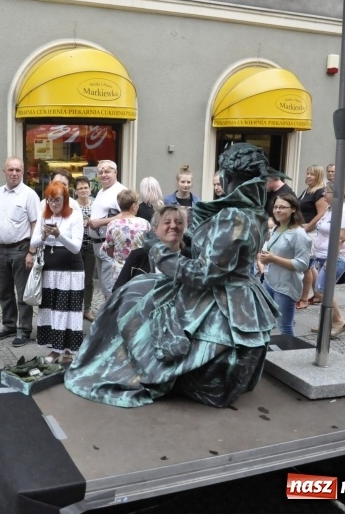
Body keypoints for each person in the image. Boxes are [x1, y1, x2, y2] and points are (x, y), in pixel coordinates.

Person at [64, 143, 278, 409]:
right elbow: (221, 252)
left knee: (130, 300)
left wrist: (159, 253)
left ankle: (118, 363)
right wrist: (188, 236)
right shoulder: (253, 212)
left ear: (228, 177)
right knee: (137, 290)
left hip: (220, 302)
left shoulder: (234, 216)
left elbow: (204, 274)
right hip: (238, 298)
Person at [0, 157, 40, 347]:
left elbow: (35, 224)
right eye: (11, 170)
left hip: (21, 249)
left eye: (18, 170)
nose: (14, 173)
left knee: (23, 294)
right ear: (4, 172)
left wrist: (31, 252)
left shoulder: (29, 194)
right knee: (4, 291)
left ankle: (24, 330)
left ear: (23, 172)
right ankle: (9, 325)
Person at [30, 181, 84, 363]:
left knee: (69, 310)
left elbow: (76, 247)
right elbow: (33, 243)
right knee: (52, 310)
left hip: (71, 270)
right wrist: (44, 236)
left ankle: (68, 349)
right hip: (50, 270)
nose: (53, 204)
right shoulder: (42, 215)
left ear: (66, 200)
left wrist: (59, 235)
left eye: (58, 200)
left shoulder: (75, 216)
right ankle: (55, 349)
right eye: (50, 200)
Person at [258, 194, 311, 336]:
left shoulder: (298, 234)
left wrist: (274, 259)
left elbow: (302, 264)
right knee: (264, 321)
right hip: (269, 282)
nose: (277, 210)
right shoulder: (276, 228)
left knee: (284, 326)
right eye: (275, 207)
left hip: (286, 286)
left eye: (282, 207)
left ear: (293, 209)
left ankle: (290, 356)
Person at [310, 183, 345, 338]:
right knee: (324, 290)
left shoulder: (343, 212)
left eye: (326, 192)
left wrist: (331, 258)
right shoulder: (330, 209)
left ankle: (339, 322)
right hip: (323, 256)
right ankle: (328, 322)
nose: (323, 195)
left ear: (335, 194)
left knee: (321, 290)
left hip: (337, 258)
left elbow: (340, 237)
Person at [113, 205, 187, 291]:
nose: (173, 226)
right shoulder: (138, 257)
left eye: (179, 222)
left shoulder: (191, 259)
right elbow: (118, 291)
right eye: (167, 222)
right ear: (155, 229)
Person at [88, 160, 127, 299]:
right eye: (101, 172)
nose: (103, 175)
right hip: (98, 244)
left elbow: (126, 215)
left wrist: (101, 222)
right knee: (105, 287)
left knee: (110, 288)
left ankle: (112, 318)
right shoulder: (101, 190)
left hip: (110, 246)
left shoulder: (120, 191)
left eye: (107, 171)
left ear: (115, 172)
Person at [102, 189, 151, 288]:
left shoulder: (112, 224)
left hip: (119, 271)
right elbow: (149, 247)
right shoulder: (144, 223)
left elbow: (109, 249)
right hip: (138, 270)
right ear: (133, 206)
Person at [297, 165, 329, 309]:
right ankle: (318, 294)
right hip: (303, 229)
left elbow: (321, 214)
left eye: (313, 174)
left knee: (307, 267)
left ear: (319, 176)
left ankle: (304, 298)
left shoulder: (319, 192)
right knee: (310, 266)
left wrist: (307, 228)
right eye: (308, 173)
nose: (309, 176)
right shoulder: (307, 191)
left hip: (310, 232)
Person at [74, 176, 96, 321]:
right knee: (75, 279)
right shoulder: (72, 205)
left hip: (91, 246)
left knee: (88, 280)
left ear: (90, 189)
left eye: (85, 187)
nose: (83, 190)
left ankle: (86, 309)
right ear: (75, 191)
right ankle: (75, 309)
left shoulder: (95, 204)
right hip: (76, 246)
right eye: (80, 188)